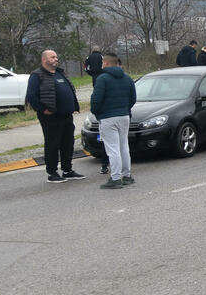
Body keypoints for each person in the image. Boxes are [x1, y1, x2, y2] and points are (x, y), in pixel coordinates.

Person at [26, 50, 85, 184]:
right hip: (51, 117)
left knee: (68, 143)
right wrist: (43, 110)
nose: (56, 59)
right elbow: (31, 96)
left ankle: (67, 170)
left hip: (67, 116)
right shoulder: (37, 75)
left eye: (56, 57)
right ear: (44, 60)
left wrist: (73, 106)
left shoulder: (60, 73)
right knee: (53, 144)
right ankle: (52, 173)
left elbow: (70, 90)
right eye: (52, 57)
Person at [90, 53, 136, 190]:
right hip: (124, 115)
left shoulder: (102, 79)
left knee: (112, 148)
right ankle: (127, 175)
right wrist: (125, 109)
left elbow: (96, 100)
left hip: (108, 117)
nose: (101, 65)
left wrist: (97, 112)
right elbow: (133, 98)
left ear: (107, 63)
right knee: (124, 146)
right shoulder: (127, 78)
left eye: (102, 62)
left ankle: (115, 178)